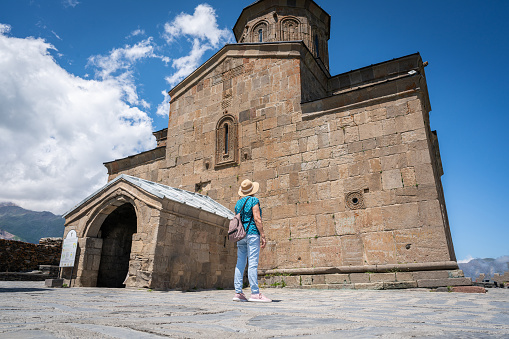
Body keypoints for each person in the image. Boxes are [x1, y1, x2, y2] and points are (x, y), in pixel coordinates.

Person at [232, 179, 272, 303]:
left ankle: (238, 293)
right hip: (252, 233)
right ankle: (255, 293)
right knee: (253, 263)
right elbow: (257, 218)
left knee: (240, 263)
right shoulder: (254, 200)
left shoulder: (238, 204)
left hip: (241, 235)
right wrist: (263, 235)